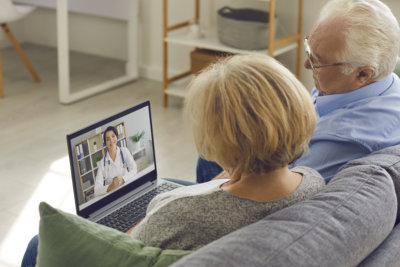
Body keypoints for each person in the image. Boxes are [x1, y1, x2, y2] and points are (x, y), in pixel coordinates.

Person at [127, 54, 325, 250]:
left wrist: (153, 216)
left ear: (216, 138)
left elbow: (125, 250)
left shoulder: (177, 215)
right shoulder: (314, 182)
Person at [197, 0, 400, 184]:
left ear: (363, 73)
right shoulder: (381, 81)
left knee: (209, 154)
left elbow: (277, 191)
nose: (306, 64)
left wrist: (196, 198)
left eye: (317, 61)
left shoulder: (342, 138)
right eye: (309, 48)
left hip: (273, 184)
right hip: (291, 153)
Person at [94, 126, 138, 197]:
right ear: (105, 143)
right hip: (113, 196)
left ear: (116, 137)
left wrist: (122, 180)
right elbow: (96, 190)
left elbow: (134, 169)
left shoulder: (124, 151)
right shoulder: (102, 163)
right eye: (108, 139)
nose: (111, 140)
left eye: (113, 136)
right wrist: (112, 186)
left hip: (128, 190)